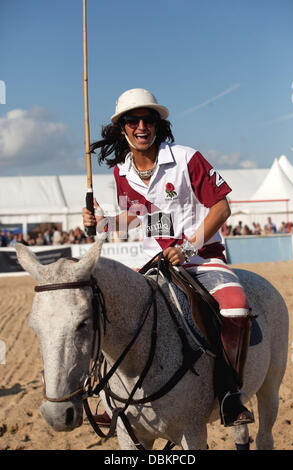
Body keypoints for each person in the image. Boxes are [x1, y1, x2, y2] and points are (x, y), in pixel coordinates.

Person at [82, 88, 254, 427]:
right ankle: (108, 395)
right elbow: (137, 216)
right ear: (123, 128)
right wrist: (100, 222)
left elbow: (222, 207)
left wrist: (188, 247)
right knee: (104, 305)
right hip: (152, 265)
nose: (142, 126)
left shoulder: (187, 159)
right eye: (134, 120)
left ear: (159, 125)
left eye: (149, 119)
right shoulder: (121, 173)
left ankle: (230, 393)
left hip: (202, 259)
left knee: (236, 306)